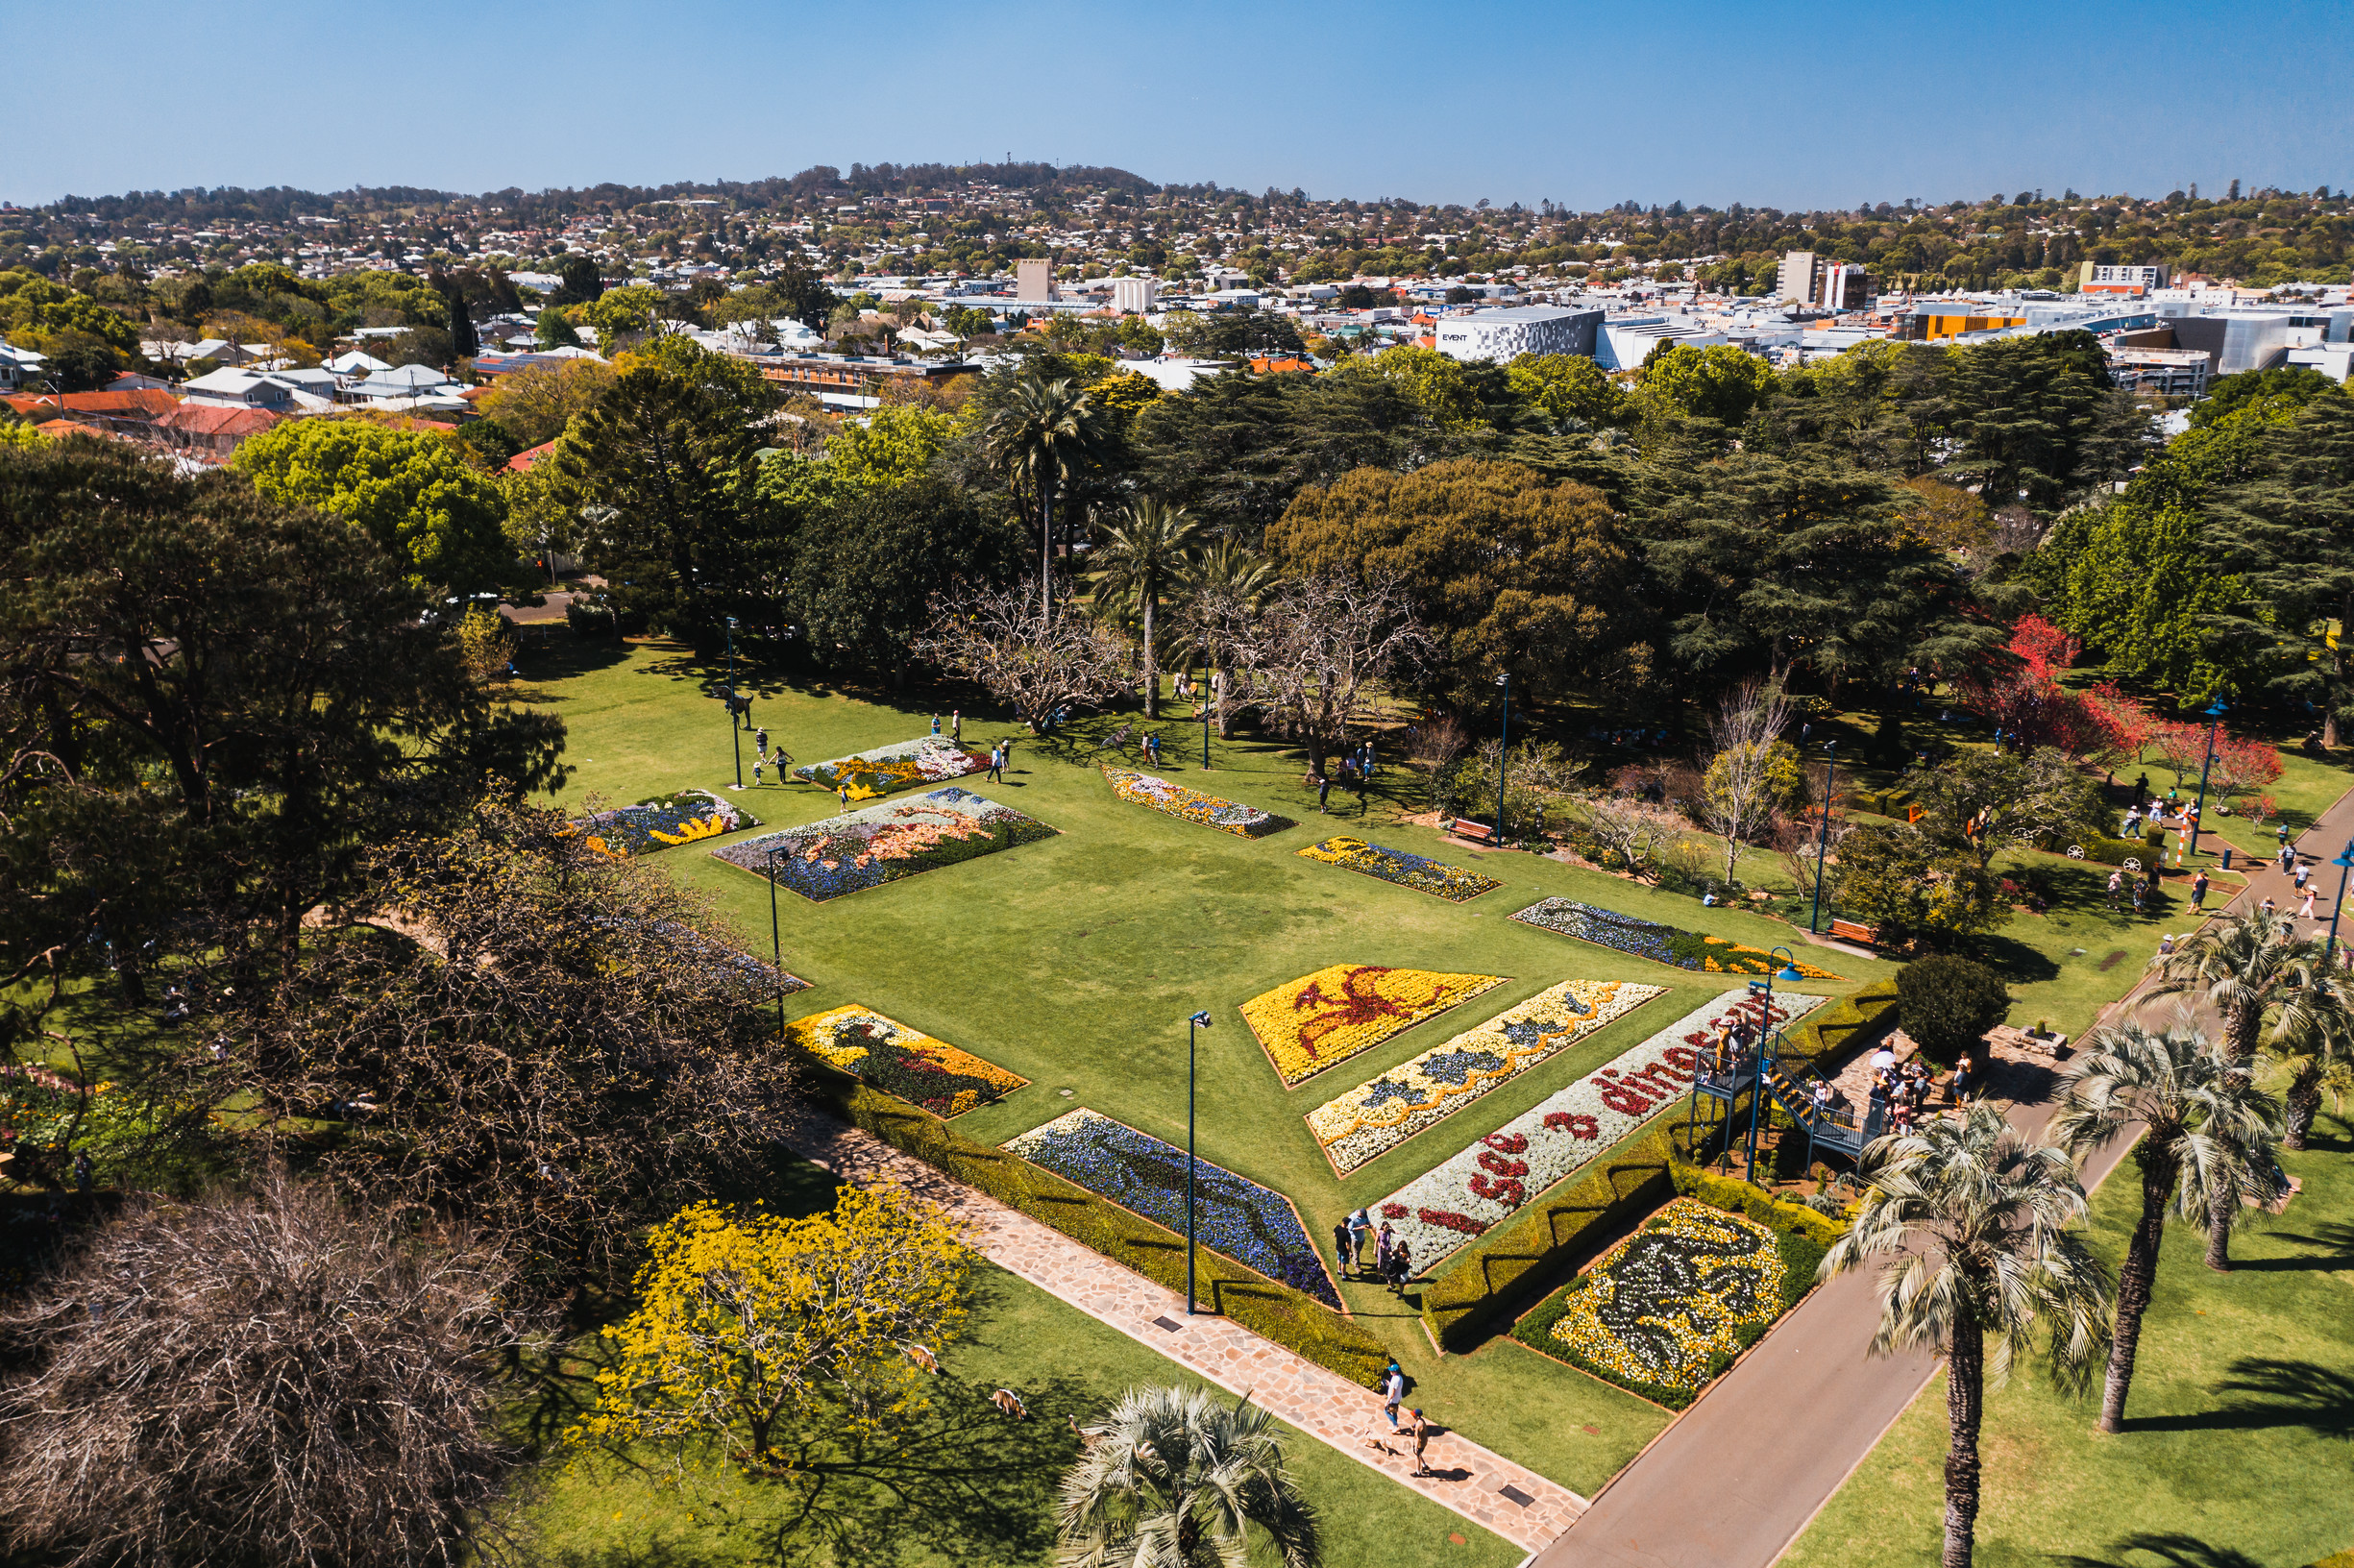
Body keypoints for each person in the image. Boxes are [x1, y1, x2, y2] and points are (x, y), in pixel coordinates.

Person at [1409, 1409, 1433, 1478]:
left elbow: (1418, 1438)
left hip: (1420, 1444)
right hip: (1424, 1441)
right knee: (1419, 1454)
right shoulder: (1422, 1421)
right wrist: (1414, 1428)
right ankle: (1424, 1465)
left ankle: (1418, 1472)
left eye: (1414, 1415)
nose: (1413, 1416)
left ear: (1417, 1416)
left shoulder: (1419, 1425)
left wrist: (1416, 1447)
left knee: (1417, 1456)